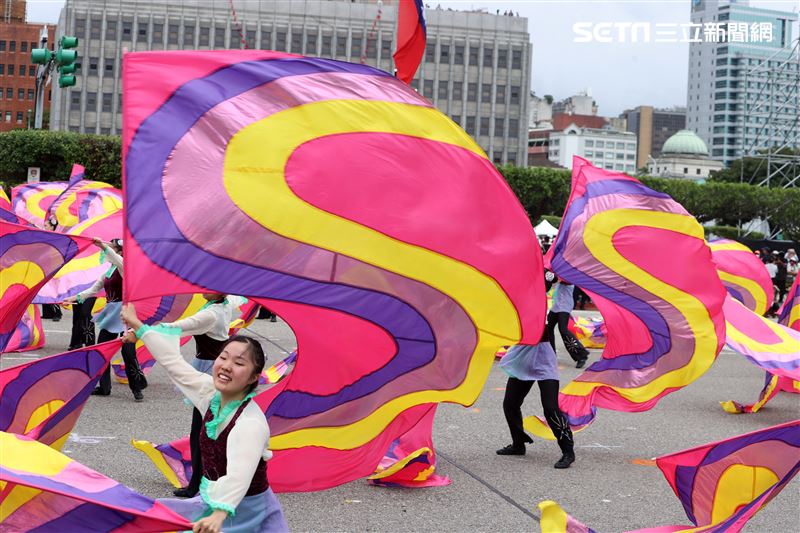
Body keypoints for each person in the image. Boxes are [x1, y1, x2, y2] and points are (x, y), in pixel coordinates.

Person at [120, 304, 288, 533]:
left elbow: (241, 473)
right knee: (134, 517)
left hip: (250, 515)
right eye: (224, 357)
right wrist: (138, 326)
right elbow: (174, 364)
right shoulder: (211, 394)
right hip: (212, 503)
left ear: (254, 377)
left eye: (239, 363)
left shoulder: (251, 423)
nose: (227, 366)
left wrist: (219, 514)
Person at [163, 294, 246, 498]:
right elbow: (238, 298)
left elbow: (179, 326)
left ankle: (197, 484)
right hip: (214, 371)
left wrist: (143, 329)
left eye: (208, 286)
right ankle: (211, 478)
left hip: (209, 375)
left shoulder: (211, 314)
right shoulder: (223, 304)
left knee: (200, 430)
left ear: (219, 291)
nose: (202, 289)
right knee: (207, 427)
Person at [64, 238, 146, 401]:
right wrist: (73, 298)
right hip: (111, 314)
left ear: (121, 252)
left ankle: (137, 387)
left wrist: (101, 245)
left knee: (128, 351)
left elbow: (116, 258)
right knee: (102, 350)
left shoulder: (124, 267)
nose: (108, 251)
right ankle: (104, 387)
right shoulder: (109, 271)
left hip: (125, 313)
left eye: (113, 248)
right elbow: (92, 290)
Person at [495, 328, 575, 469]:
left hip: (543, 359)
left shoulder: (541, 307)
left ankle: (568, 451)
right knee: (510, 404)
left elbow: (542, 331)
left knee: (550, 408)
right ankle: (518, 445)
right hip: (523, 357)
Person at [546, 275, 590, 368]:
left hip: (565, 306)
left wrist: (553, 276)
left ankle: (581, 355)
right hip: (556, 306)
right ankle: (550, 356)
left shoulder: (569, 274)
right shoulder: (558, 271)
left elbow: (564, 280)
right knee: (547, 329)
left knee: (563, 330)